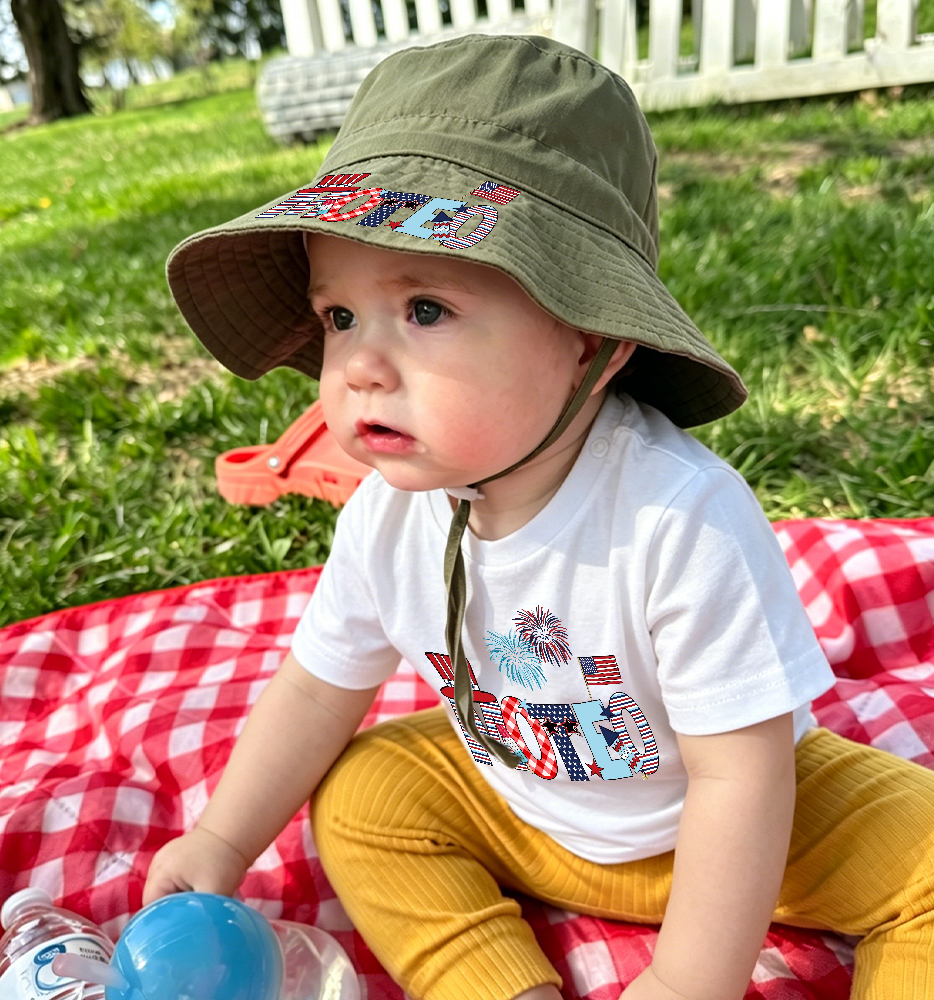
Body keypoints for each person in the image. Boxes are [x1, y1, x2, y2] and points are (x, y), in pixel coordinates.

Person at [143, 33, 934, 1000]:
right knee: (361, 794)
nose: (356, 366)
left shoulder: (678, 519)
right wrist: (223, 835)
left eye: (425, 309)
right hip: (528, 812)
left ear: (588, 341)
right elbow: (316, 691)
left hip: (737, 830)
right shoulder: (387, 520)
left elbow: (744, 777)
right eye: (340, 317)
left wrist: (691, 977)